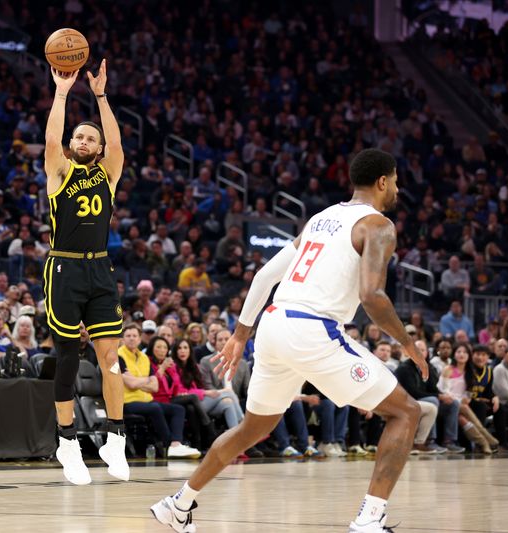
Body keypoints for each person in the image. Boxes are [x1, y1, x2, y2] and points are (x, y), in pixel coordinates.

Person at [152, 149, 426, 533]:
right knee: (406, 412)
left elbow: (265, 276)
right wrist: (408, 344)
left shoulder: (321, 218)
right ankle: (369, 518)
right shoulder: (378, 225)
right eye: (396, 180)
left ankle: (177, 504)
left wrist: (240, 333)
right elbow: (372, 297)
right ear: (383, 181)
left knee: (252, 428)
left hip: (274, 324)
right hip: (313, 329)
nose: (397, 187)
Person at [42, 62, 128, 485]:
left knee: (111, 357)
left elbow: (115, 139)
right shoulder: (59, 172)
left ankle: (116, 436)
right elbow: (49, 137)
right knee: (69, 356)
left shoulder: (108, 173)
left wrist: (100, 95)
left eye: (90, 137)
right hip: (64, 266)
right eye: (78, 136)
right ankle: (67, 440)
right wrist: (61, 93)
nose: (84, 141)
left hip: (99, 268)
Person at [120, 327, 200, 459]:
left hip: (146, 400)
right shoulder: (119, 356)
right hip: (127, 401)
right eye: (128, 335)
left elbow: (155, 386)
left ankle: (176, 443)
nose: (132, 338)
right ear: (122, 339)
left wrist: (137, 380)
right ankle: (169, 446)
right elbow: (131, 384)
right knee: (155, 407)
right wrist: (146, 381)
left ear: (140, 339)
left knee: (178, 409)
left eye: (134, 335)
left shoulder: (144, 357)